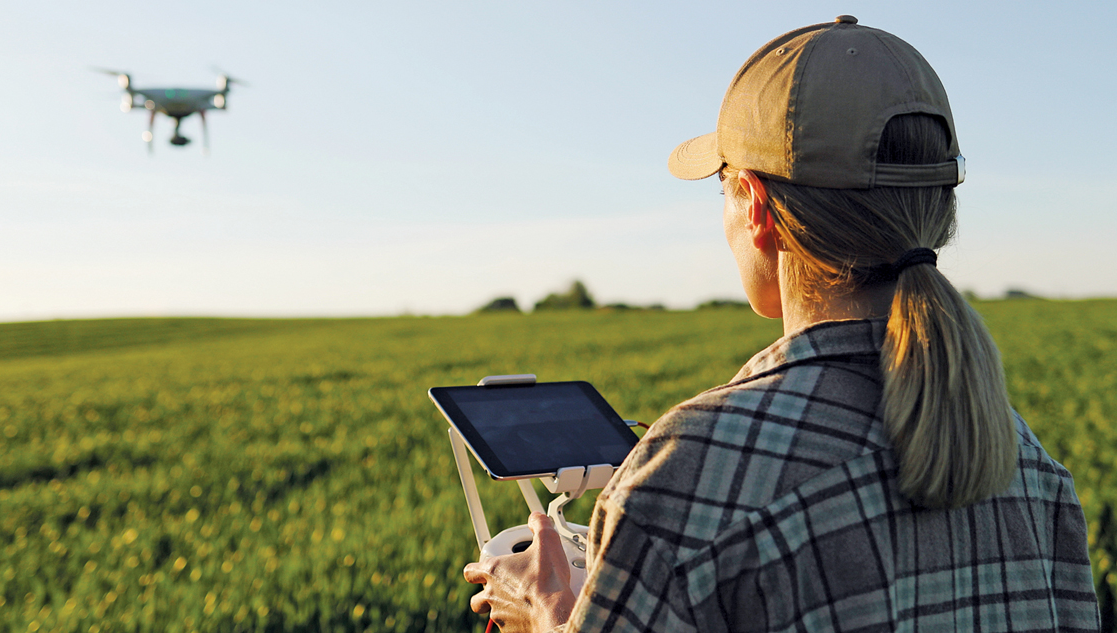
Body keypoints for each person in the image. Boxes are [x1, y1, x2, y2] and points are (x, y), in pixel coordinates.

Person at [463, 16, 1101, 632]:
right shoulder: (1029, 466)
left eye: (722, 189)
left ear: (757, 207)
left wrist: (547, 617)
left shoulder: (689, 472)